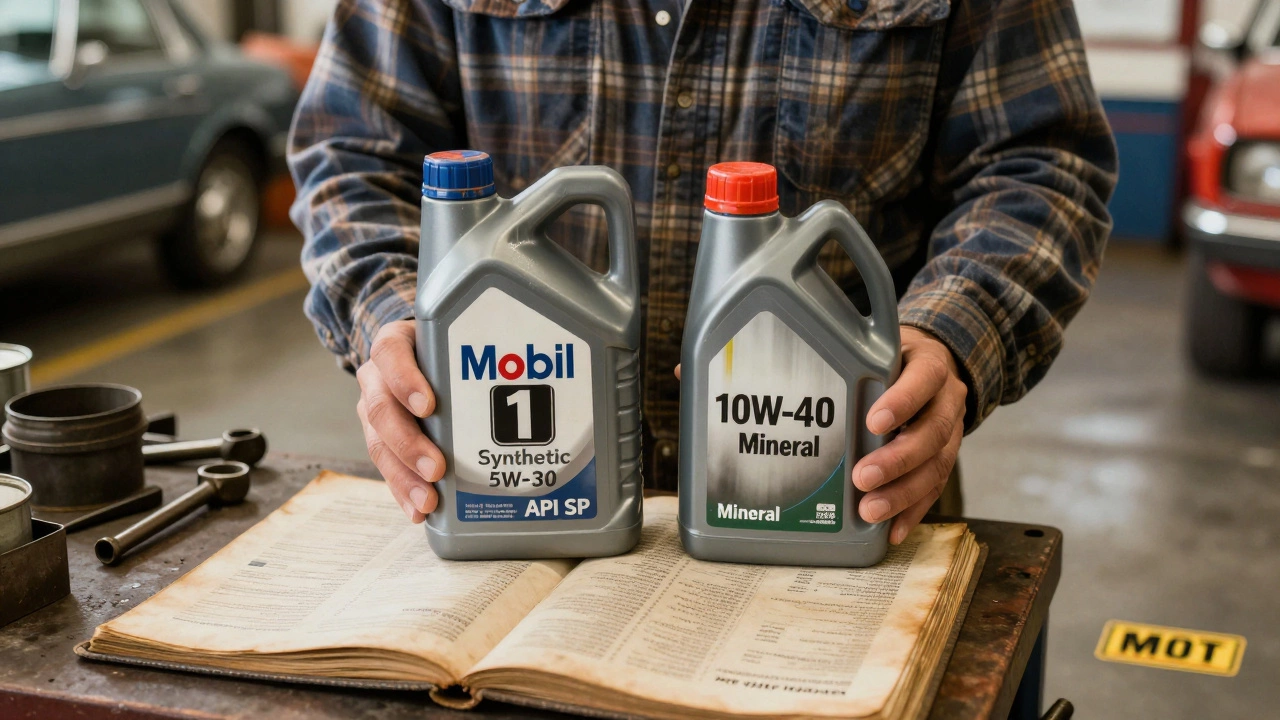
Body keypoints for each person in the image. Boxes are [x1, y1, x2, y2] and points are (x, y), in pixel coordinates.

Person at [289, 0, 1116, 545]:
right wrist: (400, 324)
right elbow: (352, 150)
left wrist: (952, 331)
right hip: (515, 505)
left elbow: (1041, 162)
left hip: (839, 497)